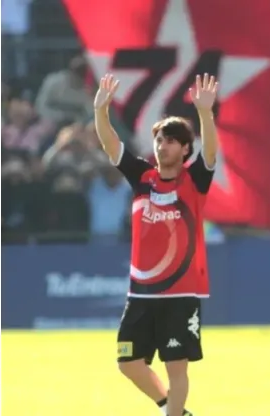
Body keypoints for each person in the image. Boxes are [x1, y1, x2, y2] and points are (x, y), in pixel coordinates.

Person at [94, 72, 219, 416]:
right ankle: (172, 408)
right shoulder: (141, 177)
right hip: (141, 293)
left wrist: (205, 114)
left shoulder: (193, 181)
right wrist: (100, 112)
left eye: (170, 141)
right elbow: (110, 144)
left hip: (180, 293)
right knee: (128, 362)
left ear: (184, 149)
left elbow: (210, 152)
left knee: (176, 367)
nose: (161, 146)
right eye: (159, 140)